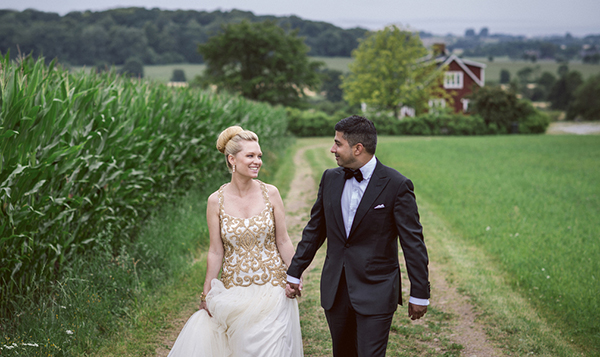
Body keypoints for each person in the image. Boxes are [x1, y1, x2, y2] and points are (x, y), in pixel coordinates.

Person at [286, 115, 430, 357]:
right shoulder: (330, 178)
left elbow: (413, 243)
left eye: (337, 143)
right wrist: (294, 270)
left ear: (358, 148)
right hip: (336, 288)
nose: (332, 149)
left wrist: (420, 292)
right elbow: (315, 229)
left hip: (377, 290)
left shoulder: (396, 185)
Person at [167, 126, 303, 357]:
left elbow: (283, 240)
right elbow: (215, 251)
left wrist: (294, 275)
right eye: (250, 156)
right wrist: (206, 292)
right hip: (235, 290)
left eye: (259, 156)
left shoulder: (271, 193)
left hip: (272, 288)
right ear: (232, 159)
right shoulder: (215, 201)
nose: (257, 161)